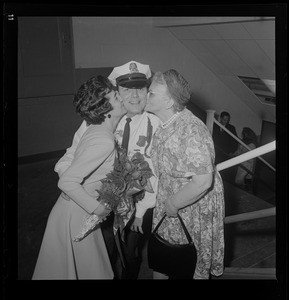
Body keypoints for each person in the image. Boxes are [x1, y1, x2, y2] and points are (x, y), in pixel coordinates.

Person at [32, 75, 127, 279]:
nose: (121, 98)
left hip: (77, 211)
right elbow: (66, 181)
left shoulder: (96, 129)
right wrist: (98, 209)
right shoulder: (104, 142)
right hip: (76, 214)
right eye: (116, 98)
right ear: (106, 110)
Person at [145, 69, 225, 280]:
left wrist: (173, 203)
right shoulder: (168, 124)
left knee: (183, 264)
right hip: (174, 201)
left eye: (151, 93)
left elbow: (202, 181)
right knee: (164, 258)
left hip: (188, 205)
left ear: (169, 102)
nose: (146, 95)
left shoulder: (190, 130)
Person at [104, 60, 161, 279]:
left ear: (148, 91)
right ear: (117, 93)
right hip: (106, 199)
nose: (135, 96)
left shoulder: (156, 125)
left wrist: (142, 210)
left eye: (140, 88)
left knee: (130, 253)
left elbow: (156, 174)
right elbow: (78, 147)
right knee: (106, 249)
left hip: (140, 203)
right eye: (127, 89)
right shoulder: (105, 119)